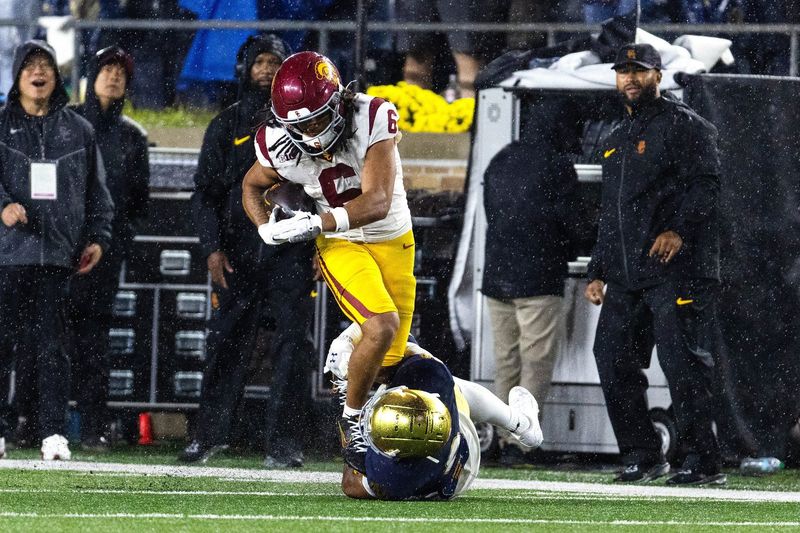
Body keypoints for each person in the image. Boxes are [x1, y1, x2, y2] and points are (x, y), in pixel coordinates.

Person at [241, 51, 416, 474]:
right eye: (300, 125)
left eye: (318, 118)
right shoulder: (277, 143)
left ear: (340, 100)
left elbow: (374, 201)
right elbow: (251, 186)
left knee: (392, 364)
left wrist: (311, 224)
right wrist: (265, 227)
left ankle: (510, 420)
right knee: (381, 325)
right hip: (340, 244)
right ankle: (352, 421)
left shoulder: (373, 115)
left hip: (392, 239)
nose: (312, 131)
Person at [584, 43, 725, 486]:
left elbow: (709, 187)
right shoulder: (614, 137)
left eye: (639, 71)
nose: (629, 78)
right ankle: (642, 456)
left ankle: (703, 462)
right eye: (623, 71)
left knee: (683, 365)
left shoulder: (687, 127)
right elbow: (613, 211)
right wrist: (598, 269)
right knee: (610, 357)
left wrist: (679, 230)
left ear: (658, 76)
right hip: (627, 276)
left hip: (676, 270)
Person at [180, 34, 316, 467]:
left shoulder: (308, 124)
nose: (266, 70)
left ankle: (285, 443)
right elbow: (203, 195)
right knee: (225, 343)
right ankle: (208, 436)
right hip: (238, 253)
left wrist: (323, 247)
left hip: (293, 251)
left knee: (294, 346)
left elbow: (325, 191)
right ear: (242, 69)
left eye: (275, 62)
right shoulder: (226, 125)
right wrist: (211, 249)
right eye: (258, 62)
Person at [0, 40, 114, 461]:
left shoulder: (79, 130)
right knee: (2, 345)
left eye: (46, 64)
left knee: (54, 348)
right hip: (7, 255)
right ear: (17, 75)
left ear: (57, 75)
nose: (38, 71)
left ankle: (52, 434)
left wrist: (99, 239)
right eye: (29, 64)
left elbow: (98, 194)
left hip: (57, 258)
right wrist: (3, 206)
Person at [482, 101, 591, 464]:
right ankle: (524, 442)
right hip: (538, 278)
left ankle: (502, 438)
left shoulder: (500, 159)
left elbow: (492, 212)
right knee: (536, 362)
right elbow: (574, 222)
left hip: (497, 276)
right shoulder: (559, 165)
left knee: (506, 361)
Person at [325, 324, 543, 500]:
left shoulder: (392, 475)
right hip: (455, 452)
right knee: (450, 386)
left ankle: (522, 424)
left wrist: (351, 417)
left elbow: (351, 485)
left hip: (452, 467)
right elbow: (402, 336)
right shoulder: (431, 378)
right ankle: (520, 423)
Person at [66, 45, 149, 451]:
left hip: (105, 254)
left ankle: (92, 427)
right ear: (91, 74)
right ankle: (31, 422)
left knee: (95, 341)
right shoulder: (67, 124)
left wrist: (110, 239)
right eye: (107, 68)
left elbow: (137, 202)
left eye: (121, 71)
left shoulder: (134, 136)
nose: (114, 76)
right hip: (59, 250)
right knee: (46, 336)